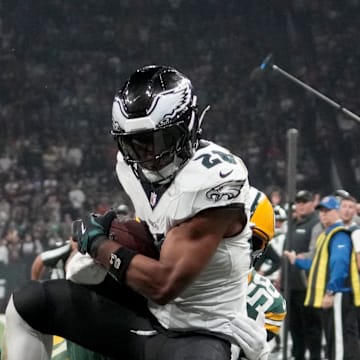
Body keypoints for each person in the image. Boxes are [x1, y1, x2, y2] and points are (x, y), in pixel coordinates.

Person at [4, 65, 268, 360]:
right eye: (134, 143)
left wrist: (99, 244)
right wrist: (110, 232)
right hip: (149, 314)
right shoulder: (128, 167)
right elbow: (155, 233)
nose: (147, 155)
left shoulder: (214, 178)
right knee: (28, 303)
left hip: (201, 332)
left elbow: (164, 284)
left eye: (157, 140)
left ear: (188, 125)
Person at [284, 195, 360, 360]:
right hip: (335, 295)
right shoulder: (326, 235)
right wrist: (296, 260)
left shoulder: (339, 234)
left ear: (337, 212)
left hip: (340, 295)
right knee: (333, 339)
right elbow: (317, 265)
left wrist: (331, 291)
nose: (323, 215)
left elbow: (339, 265)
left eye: (328, 211)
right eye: (322, 211)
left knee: (340, 342)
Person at [281, 190, 323, 360]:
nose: (300, 205)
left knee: (311, 328)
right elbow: (285, 253)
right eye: (298, 202)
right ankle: (298, 356)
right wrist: (280, 278)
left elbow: (316, 253)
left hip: (307, 285)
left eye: (304, 202)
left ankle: (315, 357)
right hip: (290, 284)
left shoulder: (316, 224)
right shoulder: (293, 223)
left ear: (313, 203)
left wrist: (301, 258)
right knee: (294, 327)